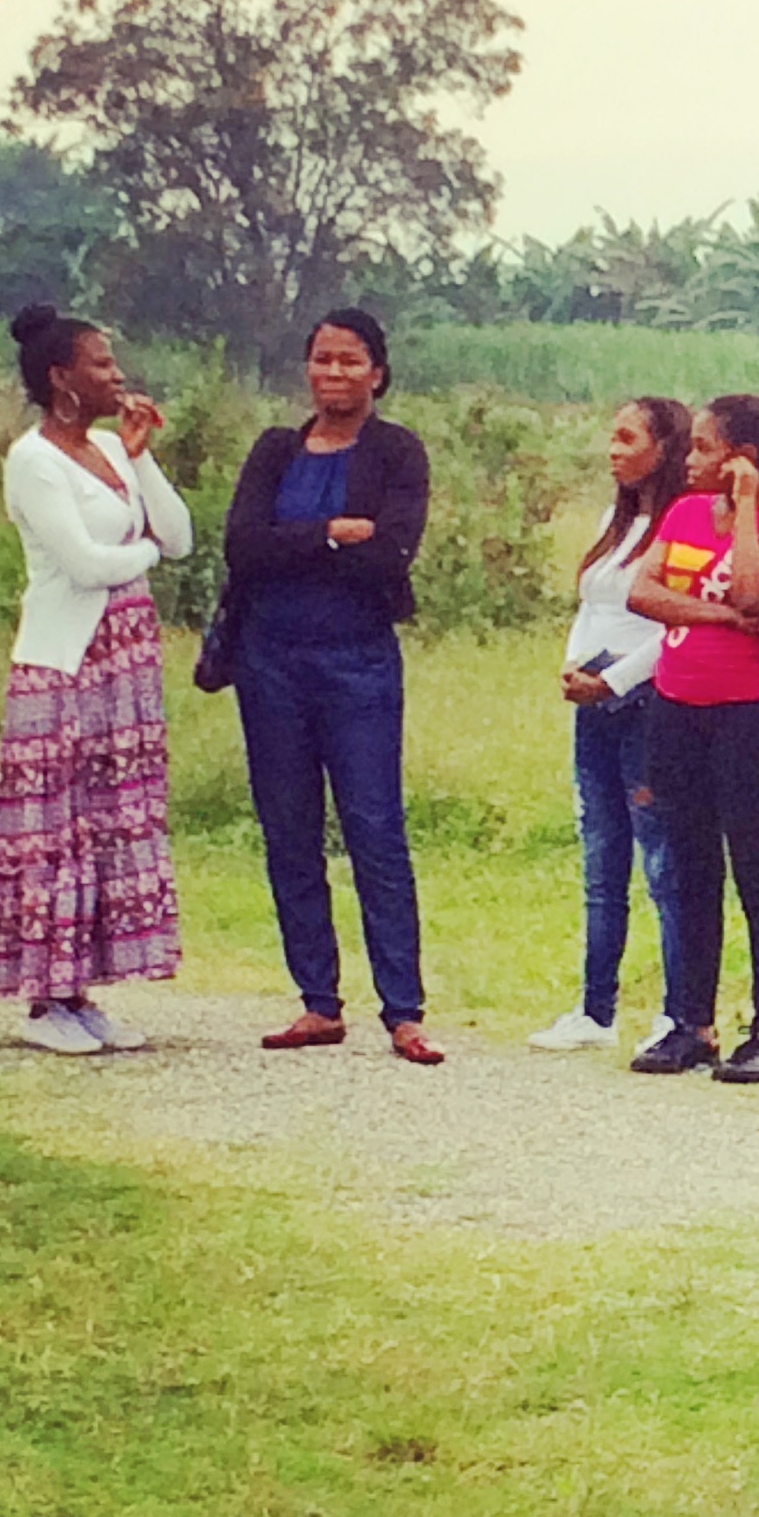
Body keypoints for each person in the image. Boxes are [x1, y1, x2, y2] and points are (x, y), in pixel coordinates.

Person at [224, 307, 442, 1064]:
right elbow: (241, 547)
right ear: (307, 368)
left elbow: (389, 557)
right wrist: (329, 533)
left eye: (350, 361)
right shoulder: (276, 450)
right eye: (322, 359)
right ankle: (318, 1002)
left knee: (375, 829)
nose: (334, 373)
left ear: (377, 371)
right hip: (268, 662)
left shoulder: (395, 452)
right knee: (289, 832)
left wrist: (326, 546)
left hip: (357, 664)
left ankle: (403, 1009)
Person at [0, 304, 192, 1052]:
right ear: (61, 378)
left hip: (122, 667)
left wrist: (138, 458)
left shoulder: (108, 446)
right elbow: (85, 564)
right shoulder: (33, 459)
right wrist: (145, 556)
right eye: (101, 363)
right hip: (65, 665)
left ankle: (81, 993)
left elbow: (181, 533)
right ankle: (44, 1003)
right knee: (56, 829)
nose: (117, 374)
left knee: (104, 821)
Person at [624, 382, 759, 1082]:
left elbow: (754, 593)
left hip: (752, 713)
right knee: (690, 869)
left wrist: (745, 508)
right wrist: (712, 619)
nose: (689, 458)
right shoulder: (682, 513)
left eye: (705, 448)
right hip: (677, 706)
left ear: (742, 458)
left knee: (755, 869)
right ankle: (693, 1021)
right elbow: (641, 593)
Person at [530, 396, 692, 1052]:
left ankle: (677, 1009)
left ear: (664, 448)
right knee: (601, 860)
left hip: (644, 705)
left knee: (660, 861)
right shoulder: (615, 520)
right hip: (592, 706)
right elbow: (595, 607)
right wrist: (574, 671)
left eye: (628, 438)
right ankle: (595, 1011)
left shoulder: (681, 527)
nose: (613, 449)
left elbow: (675, 624)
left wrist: (616, 679)